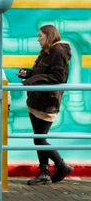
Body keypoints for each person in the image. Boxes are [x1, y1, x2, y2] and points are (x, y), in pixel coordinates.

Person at [17, 24, 73, 185]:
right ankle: (44, 172)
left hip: (47, 102)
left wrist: (34, 79)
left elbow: (59, 77)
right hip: (36, 101)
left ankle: (61, 166)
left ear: (49, 36)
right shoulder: (48, 52)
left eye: (40, 36)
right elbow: (43, 73)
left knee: (40, 139)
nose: (38, 39)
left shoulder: (59, 52)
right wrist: (28, 73)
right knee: (38, 138)